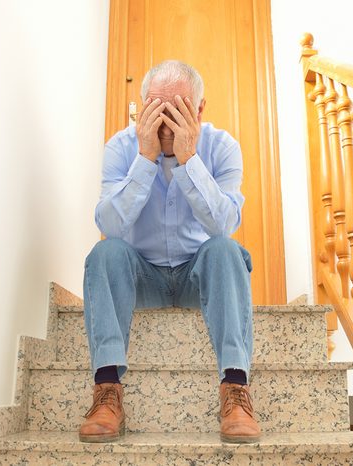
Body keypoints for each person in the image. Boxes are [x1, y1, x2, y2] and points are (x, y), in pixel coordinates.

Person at [79, 60, 260, 444]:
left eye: (176, 109)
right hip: (143, 276)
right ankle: (107, 392)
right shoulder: (120, 147)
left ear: (198, 109)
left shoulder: (222, 146)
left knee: (226, 250)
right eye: (155, 109)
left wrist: (188, 159)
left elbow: (223, 224)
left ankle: (235, 389)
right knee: (105, 253)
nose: (163, 122)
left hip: (200, 275)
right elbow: (109, 225)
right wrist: (144, 159)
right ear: (141, 105)